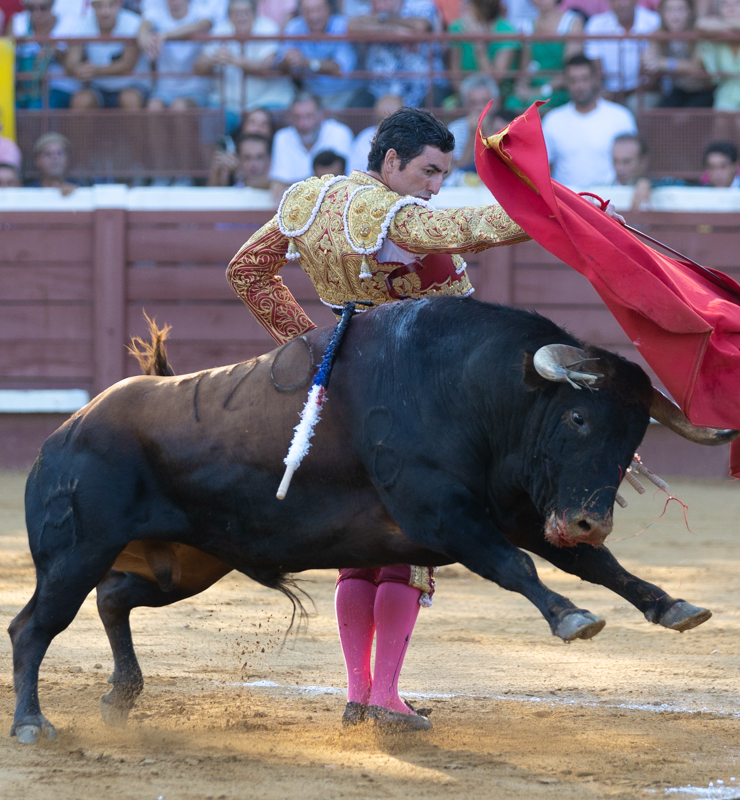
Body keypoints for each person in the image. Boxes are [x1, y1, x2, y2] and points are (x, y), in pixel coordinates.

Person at [225, 108, 534, 731]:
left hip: (341, 396)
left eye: (443, 174)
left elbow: (247, 272)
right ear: (390, 161)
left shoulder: (309, 199)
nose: (434, 186)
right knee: (406, 547)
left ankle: (358, 693)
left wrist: (316, 344)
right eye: (428, 171)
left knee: (356, 547)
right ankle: (386, 695)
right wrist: (557, 213)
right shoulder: (395, 217)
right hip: (413, 405)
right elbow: (470, 229)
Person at [543, 55, 637, 187]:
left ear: (595, 79)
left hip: (610, 200)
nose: (579, 86)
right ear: (566, 82)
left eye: (584, 79)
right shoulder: (552, 120)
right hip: (567, 203)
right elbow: (543, 170)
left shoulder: (621, 116)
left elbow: (635, 165)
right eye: (573, 80)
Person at [195, 0, 294, 123]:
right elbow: (198, 68)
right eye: (236, 13)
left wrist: (234, 60)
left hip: (267, 101)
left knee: (266, 122)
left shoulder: (268, 27)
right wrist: (213, 60)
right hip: (228, 104)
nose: (241, 17)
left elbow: (267, 66)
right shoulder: (220, 30)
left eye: (246, 12)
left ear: (255, 14)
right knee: (210, 125)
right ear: (229, 15)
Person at [348, 0, 440, 108]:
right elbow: (352, 27)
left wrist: (382, 19)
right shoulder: (367, 7)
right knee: (354, 108)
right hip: (379, 90)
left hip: (421, 87)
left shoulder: (421, 4)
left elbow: (421, 27)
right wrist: (396, 29)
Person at [64, 0, 149, 109]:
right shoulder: (82, 23)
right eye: (99, 5)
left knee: (130, 99)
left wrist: (93, 71)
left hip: (132, 84)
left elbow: (128, 65)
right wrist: (78, 70)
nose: (105, 11)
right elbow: (71, 62)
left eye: (111, 5)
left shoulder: (133, 22)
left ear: (120, 4)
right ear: (92, 6)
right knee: (81, 101)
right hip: (97, 86)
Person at [278, 0, 362, 110]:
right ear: (301, 12)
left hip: (346, 94)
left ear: (329, 9)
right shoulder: (294, 27)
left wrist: (306, 62)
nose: (314, 16)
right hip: (311, 93)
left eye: (318, 9)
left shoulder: (343, 25)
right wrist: (288, 61)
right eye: (307, 11)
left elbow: (340, 68)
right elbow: (279, 65)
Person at [268, 92, 353, 193]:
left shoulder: (340, 133)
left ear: (322, 115)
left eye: (309, 116)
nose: (303, 124)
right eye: (297, 117)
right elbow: (278, 185)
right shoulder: (282, 137)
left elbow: (342, 181)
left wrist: (295, 185)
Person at [508, 0, 583, 112]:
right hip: (534, 87)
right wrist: (522, 88)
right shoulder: (527, 25)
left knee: (534, 107)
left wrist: (541, 91)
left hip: (560, 90)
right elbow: (525, 66)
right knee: (512, 104)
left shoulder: (572, 22)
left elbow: (571, 70)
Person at [139, 0, 211, 110]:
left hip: (195, 88)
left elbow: (203, 25)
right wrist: (144, 37)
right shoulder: (156, 11)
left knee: (179, 107)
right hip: (164, 89)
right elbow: (143, 27)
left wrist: (165, 35)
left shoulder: (200, 10)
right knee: (153, 108)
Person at [584, 0, 661, 102]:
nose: (619, 4)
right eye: (613, 0)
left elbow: (656, 76)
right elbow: (595, 69)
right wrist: (604, 92)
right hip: (608, 93)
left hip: (645, 92)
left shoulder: (654, 21)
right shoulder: (596, 24)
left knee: (637, 103)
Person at [642, 0, 713, 107]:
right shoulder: (658, 34)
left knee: (689, 118)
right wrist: (647, 60)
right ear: (662, 13)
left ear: (690, 12)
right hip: (677, 91)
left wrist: (662, 63)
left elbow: (695, 66)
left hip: (703, 91)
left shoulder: (698, 32)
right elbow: (650, 60)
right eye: (669, 10)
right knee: (662, 116)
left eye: (680, 9)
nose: (675, 15)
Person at [10, 0, 74, 109]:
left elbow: (72, 67)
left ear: (52, 4)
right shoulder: (18, 22)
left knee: (36, 110)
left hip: (57, 87)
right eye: (31, 8)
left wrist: (54, 51)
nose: (37, 13)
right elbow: (6, 58)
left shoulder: (69, 23)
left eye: (43, 7)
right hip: (24, 89)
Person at [446, 0, 519, 90]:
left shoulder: (507, 31)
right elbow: (454, 73)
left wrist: (478, 44)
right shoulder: (457, 28)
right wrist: (464, 96)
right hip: (466, 94)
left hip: (498, 94)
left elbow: (495, 81)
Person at [349, 93, 403, 173]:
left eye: (390, 121)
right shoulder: (364, 137)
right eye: (380, 120)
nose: (384, 125)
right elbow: (352, 173)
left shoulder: (413, 139)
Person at [209, 133, 274, 186]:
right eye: (247, 158)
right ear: (238, 159)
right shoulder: (232, 188)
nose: (253, 164)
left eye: (259, 157)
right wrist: (217, 173)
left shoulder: (281, 189)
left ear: (269, 159)